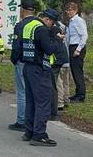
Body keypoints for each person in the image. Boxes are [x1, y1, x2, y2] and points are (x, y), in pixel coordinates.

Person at [22, 8, 64, 146]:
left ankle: (29, 131)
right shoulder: (41, 29)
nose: (52, 26)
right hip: (39, 69)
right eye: (52, 23)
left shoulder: (28, 25)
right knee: (43, 102)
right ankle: (39, 134)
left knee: (31, 101)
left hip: (27, 66)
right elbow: (49, 49)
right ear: (48, 19)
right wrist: (57, 39)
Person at [8, 0, 39, 131]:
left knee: (22, 92)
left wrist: (14, 59)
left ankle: (21, 121)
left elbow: (16, 46)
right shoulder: (39, 24)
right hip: (36, 63)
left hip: (22, 62)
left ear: (22, 10)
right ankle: (33, 121)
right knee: (33, 93)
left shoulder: (20, 25)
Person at [65, 2, 88, 102]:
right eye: (67, 10)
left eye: (70, 10)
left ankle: (81, 95)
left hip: (77, 46)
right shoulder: (71, 21)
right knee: (74, 71)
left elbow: (84, 35)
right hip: (72, 46)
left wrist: (78, 49)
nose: (68, 12)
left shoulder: (78, 21)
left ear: (76, 10)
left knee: (78, 71)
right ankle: (78, 92)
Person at [48, 19, 69, 120]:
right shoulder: (58, 26)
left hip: (56, 61)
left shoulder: (53, 29)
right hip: (60, 60)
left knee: (53, 85)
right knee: (56, 84)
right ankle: (55, 108)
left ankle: (53, 112)